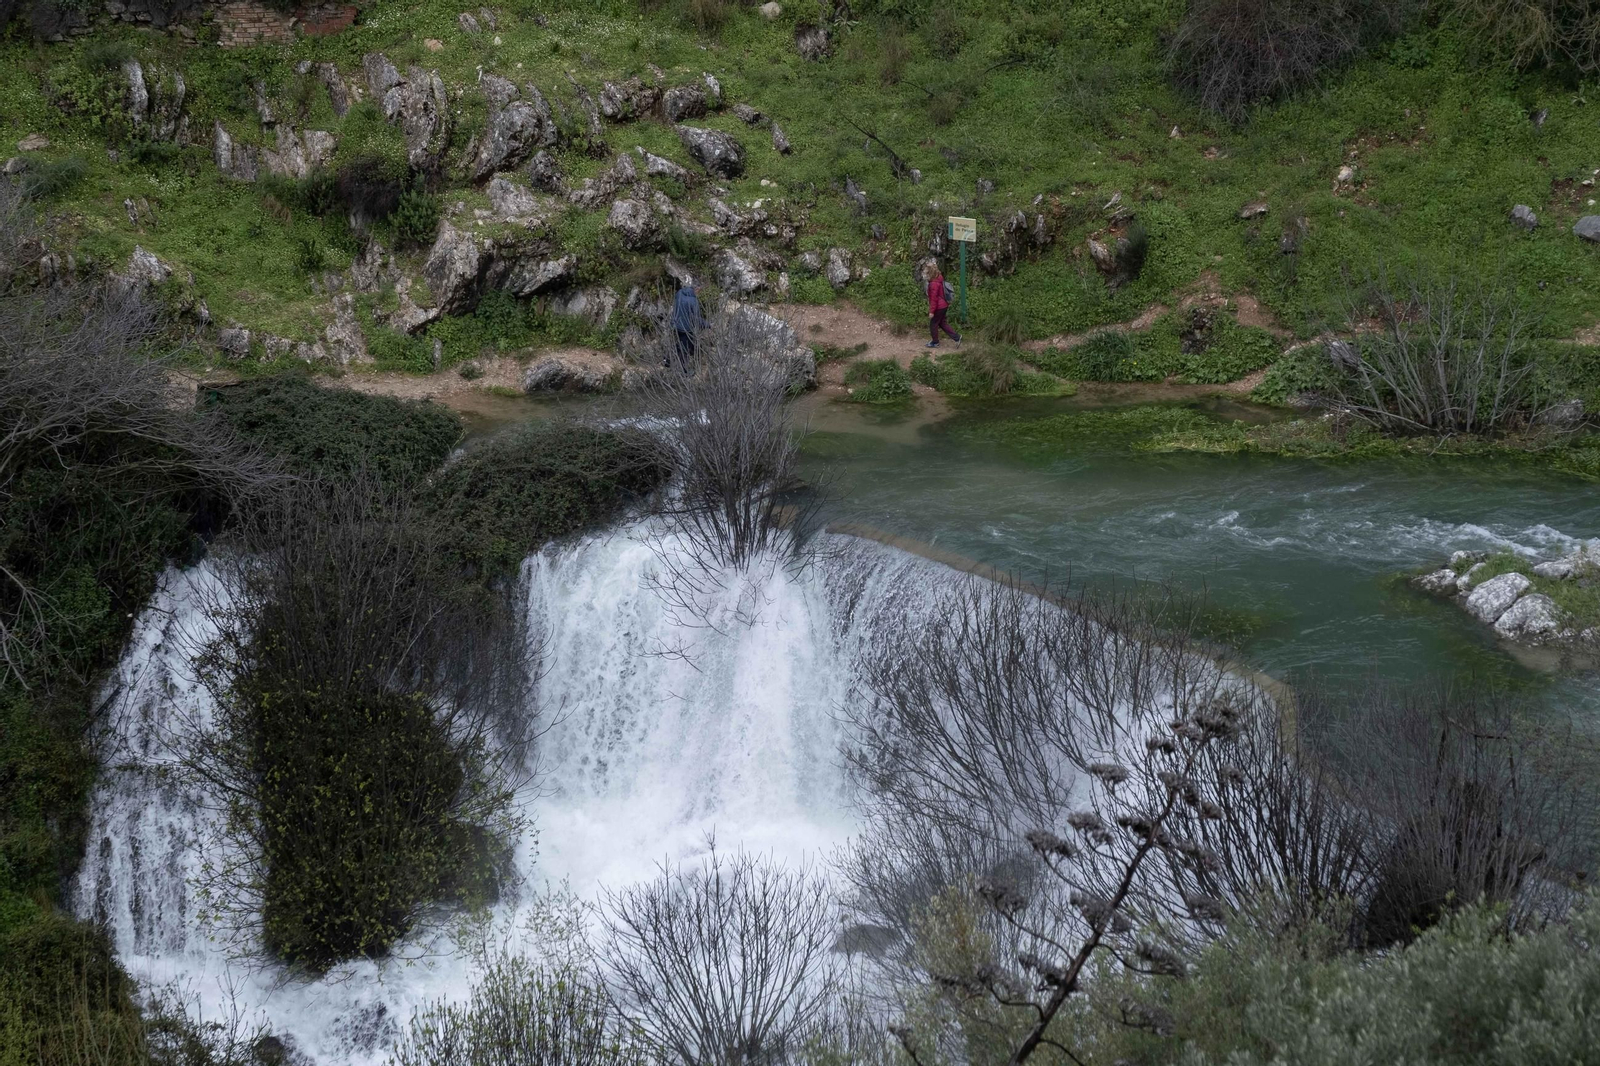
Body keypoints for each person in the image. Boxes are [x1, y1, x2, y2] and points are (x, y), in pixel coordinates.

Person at [670, 281, 706, 371]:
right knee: (684, 349)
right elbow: (696, 318)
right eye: (699, 291)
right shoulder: (693, 301)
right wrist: (707, 325)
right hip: (686, 328)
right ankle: (684, 371)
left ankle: (667, 359)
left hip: (675, 324)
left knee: (679, 344)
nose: (699, 293)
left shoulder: (680, 293)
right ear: (696, 289)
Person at [926, 264, 961, 348]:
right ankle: (957, 337)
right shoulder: (939, 278)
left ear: (930, 272)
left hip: (939, 307)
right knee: (942, 323)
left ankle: (935, 342)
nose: (925, 272)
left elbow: (934, 299)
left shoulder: (933, 284)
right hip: (944, 305)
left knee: (933, 324)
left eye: (926, 270)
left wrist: (931, 311)